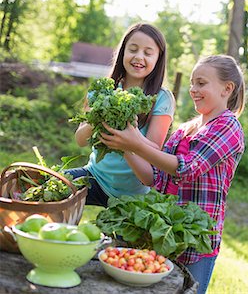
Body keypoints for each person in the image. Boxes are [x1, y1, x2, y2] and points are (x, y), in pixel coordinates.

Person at [99, 54, 246, 294]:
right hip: (163, 236)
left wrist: (137, 144)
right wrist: (123, 145)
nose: (193, 89)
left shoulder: (228, 126)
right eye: (192, 83)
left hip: (196, 242)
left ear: (226, 89)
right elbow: (152, 177)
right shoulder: (185, 130)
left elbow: (186, 169)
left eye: (201, 83)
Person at [66, 22, 175, 207]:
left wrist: (126, 143)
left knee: (116, 237)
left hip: (133, 195)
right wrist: (98, 116)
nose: (138, 57)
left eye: (148, 53)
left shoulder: (162, 98)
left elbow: (153, 155)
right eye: (133, 49)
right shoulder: (104, 89)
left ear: (158, 59)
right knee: (52, 189)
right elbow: (80, 140)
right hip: (94, 176)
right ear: (123, 52)